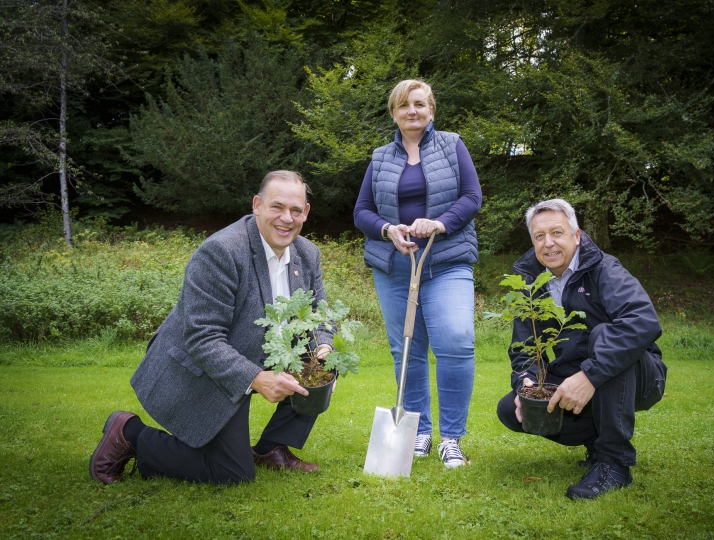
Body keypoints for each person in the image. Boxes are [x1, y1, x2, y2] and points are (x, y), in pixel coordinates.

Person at [89, 170, 334, 485]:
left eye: (296, 210)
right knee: (232, 473)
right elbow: (202, 338)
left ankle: (272, 448)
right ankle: (129, 433)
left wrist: (324, 352)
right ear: (257, 205)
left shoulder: (307, 253)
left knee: (319, 370)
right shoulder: (222, 252)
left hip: (259, 353)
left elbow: (320, 315)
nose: (287, 218)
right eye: (277, 207)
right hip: (203, 369)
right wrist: (257, 379)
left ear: (306, 213)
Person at [496, 198, 667, 499]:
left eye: (557, 233)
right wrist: (526, 382)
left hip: (641, 377)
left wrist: (589, 376)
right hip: (580, 377)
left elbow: (643, 321)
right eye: (539, 236)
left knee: (605, 336)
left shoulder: (604, 269)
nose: (548, 243)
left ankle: (614, 463)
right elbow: (525, 346)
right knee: (512, 409)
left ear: (576, 236)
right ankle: (597, 442)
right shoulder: (531, 283)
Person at [354, 79, 482, 467]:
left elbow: (472, 197)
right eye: (404, 105)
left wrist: (440, 224)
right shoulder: (380, 157)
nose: (413, 111)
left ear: (432, 110)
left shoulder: (451, 145)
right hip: (395, 266)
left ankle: (452, 439)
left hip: (446, 262)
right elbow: (362, 211)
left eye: (420, 104)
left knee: (456, 343)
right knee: (406, 350)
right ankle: (419, 432)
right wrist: (387, 229)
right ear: (394, 112)